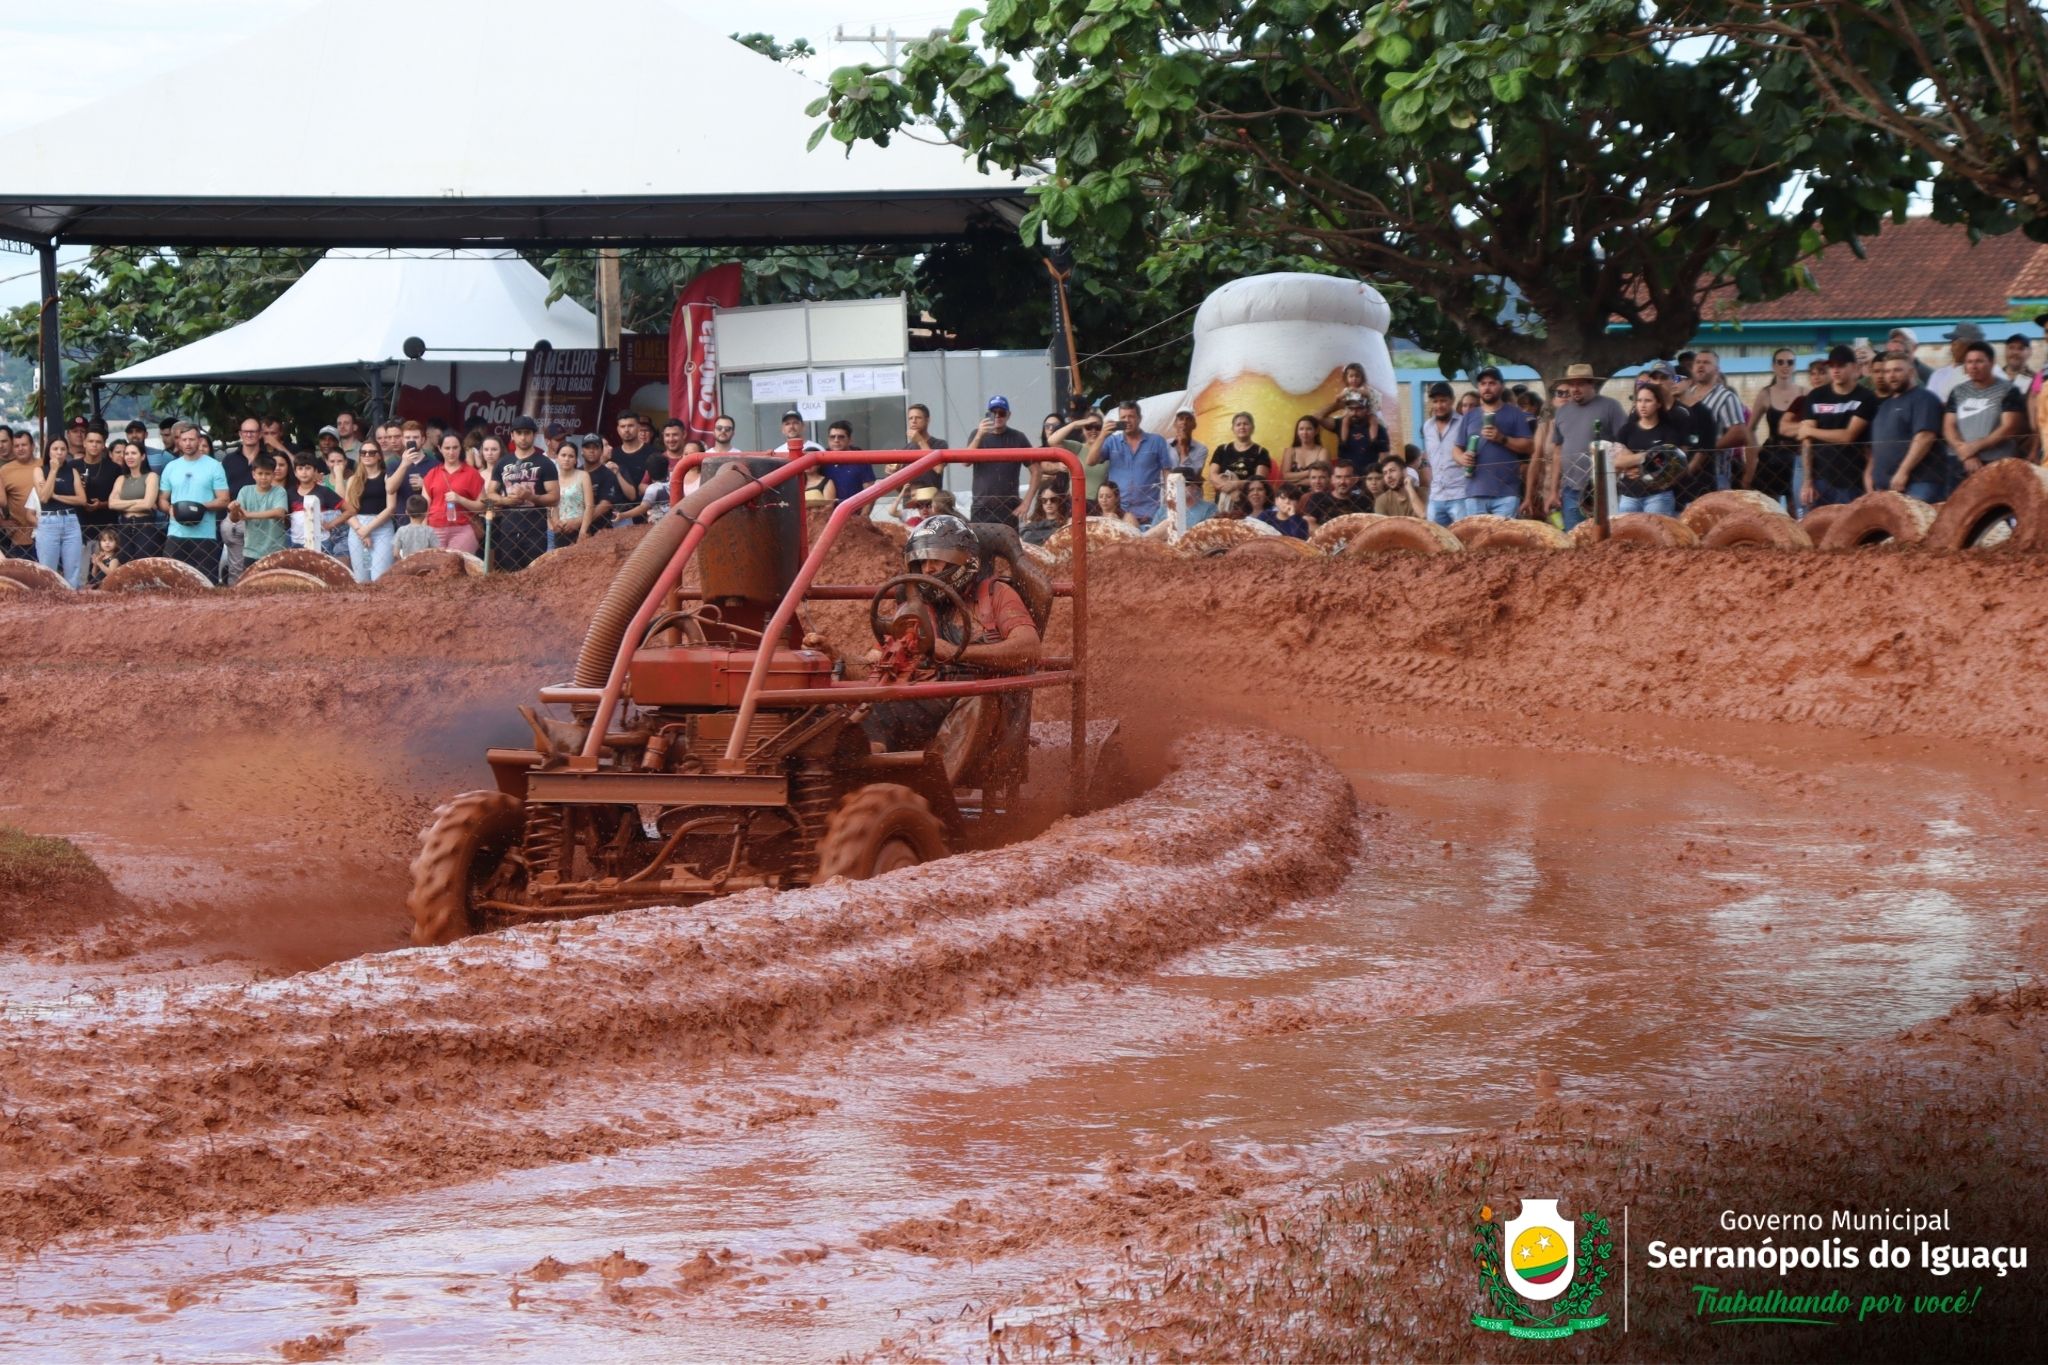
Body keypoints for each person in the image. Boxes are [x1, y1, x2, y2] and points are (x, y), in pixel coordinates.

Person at [856, 514, 1042, 753]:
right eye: (922, 562)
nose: (928, 569)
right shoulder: (914, 607)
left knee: (978, 700)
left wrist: (956, 652)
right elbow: (877, 662)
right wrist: (835, 659)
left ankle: (933, 781)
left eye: (937, 560)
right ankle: (873, 773)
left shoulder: (997, 594)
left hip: (986, 703)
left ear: (964, 562)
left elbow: (1029, 649)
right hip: (929, 700)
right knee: (874, 704)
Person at [1543, 364, 1628, 530]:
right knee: (1573, 539)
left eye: (1580, 384)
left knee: (1605, 537)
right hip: (1571, 489)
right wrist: (1554, 490)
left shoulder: (1611, 407)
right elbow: (1558, 450)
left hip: (1603, 488)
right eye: (1572, 384)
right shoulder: (1562, 412)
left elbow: (1624, 443)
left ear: (1592, 384)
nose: (1575, 389)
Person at [1796, 344, 1879, 509]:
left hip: (1852, 479)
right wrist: (1807, 480)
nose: (1835, 370)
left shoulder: (1866, 397)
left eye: (1841, 365)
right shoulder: (1816, 395)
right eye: (1832, 366)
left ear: (1855, 367)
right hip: (1819, 478)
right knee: (1815, 528)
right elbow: (1806, 441)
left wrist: (1810, 430)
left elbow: (1848, 436)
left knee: (1851, 530)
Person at [1456, 366, 1536, 521]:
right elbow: (1456, 448)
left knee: (1504, 542)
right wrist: (1462, 458)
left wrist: (1502, 439)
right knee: (1476, 542)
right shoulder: (1469, 416)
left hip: (1506, 493)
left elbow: (1530, 447)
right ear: (1478, 387)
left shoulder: (1515, 414)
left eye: (1492, 383)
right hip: (1475, 491)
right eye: (1483, 383)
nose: (1487, 387)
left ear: (1501, 385)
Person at [1869, 354, 1950, 503]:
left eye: (1897, 370)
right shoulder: (1885, 405)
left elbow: (1925, 437)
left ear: (1911, 372)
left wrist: (1903, 472)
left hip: (1919, 482)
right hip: (1887, 488)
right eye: (1887, 371)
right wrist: (1872, 476)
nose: (1891, 375)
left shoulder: (1924, 398)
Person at [1942, 340, 2025, 482]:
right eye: (1969, 362)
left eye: (1979, 361)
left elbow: (2009, 427)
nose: (1973, 366)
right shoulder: (1957, 391)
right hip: (1960, 462)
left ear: (1992, 363)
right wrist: (1965, 452)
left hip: (1997, 462)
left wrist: (1974, 447)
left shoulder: (2008, 390)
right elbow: (1948, 425)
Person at [155, 422, 230, 577]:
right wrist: (170, 509)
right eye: (184, 440)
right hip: (176, 533)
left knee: (205, 582)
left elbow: (224, 500)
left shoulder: (214, 466)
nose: (188, 443)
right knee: (171, 580)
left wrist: (199, 507)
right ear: (179, 441)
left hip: (204, 534)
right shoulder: (171, 467)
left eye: (192, 439)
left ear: (199, 440)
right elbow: (162, 499)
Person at [1088, 400, 1175, 525]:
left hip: (1149, 512)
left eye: (1131, 416)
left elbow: (1167, 472)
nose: (1127, 420)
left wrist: (1169, 501)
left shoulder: (1157, 441)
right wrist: (1102, 435)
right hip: (1118, 512)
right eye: (1123, 417)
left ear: (1139, 419)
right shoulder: (1112, 441)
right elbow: (1090, 461)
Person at [486, 419, 559, 570]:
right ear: (512, 435)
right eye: (519, 433)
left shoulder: (545, 463)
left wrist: (531, 497)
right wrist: (505, 501)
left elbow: (555, 497)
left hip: (535, 528)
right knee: (509, 572)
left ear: (534, 435)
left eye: (527, 433)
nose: (523, 437)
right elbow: (490, 493)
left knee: (534, 572)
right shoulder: (502, 462)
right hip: (508, 527)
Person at [1615, 382, 1688, 516]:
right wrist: (1648, 455)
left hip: (1658, 497)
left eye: (1648, 400)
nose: (1642, 405)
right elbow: (1617, 461)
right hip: (1629, 496)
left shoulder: (1668, 432)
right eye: (1639, 400)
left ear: (1658, 404)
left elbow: (1666, 464)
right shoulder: (1626, 430)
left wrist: (1630, 461)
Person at [965, 395, 1035, 527]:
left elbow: (1036, 470)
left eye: (1001, 413)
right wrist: (980, 435)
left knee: (1007, 546)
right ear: (988, 414)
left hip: (1008, 508)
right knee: (980, 546)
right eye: (993, 413)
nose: (997, 416)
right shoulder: (977, 434)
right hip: (981, 507)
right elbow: (965, 462)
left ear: (1008, 415)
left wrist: (1027, 502)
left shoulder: (1018, 437)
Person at [35, 435, 86, 587]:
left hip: (70, 520)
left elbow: (82, 499)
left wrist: (55, 495)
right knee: (48, 569)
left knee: (74, 568)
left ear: (67, 451)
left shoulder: (73, 471)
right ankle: (50, 604)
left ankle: (71, 602)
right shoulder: (39, 470)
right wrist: (53, 471)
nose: (59, 453)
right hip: (49, 521)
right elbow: (44, 497)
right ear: (48, 451)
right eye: (55, 449)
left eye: (63, 449)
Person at [422, 432, 486, 554]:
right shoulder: (432, 473)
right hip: (434, 528)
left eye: (455, 447)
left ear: (460, 448)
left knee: (457, 567)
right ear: (440, 449)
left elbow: (482, 506)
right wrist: (424, 531)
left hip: (463, 528)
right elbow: (424, 507)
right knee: (437, 569)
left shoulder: (471, 473)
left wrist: (460, 499)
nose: (451, 452)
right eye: (447, 448)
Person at [342, 440, 397, 581]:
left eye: (372, 452)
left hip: (382, 527)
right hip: (357, 527)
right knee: (361, 579)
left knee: (380, 577)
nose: (367, 455)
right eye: (363, 452)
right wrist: (361, 530)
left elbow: (391, 507)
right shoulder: (353, 480)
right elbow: (347, 510)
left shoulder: (387, 477)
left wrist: (368, 529)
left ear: (379, 456)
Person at [229, 453, 292, 569]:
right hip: (251, 550)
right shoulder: (245, 491)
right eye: (260, 473)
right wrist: (233, 509)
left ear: (273, 475)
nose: (263, 477)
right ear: (253, 474)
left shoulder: (279, 491)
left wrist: (249, 515)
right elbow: (234, 518)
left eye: (267, 474)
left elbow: (279, 512)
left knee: (276, 585)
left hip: (275, 550)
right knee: (250, 584)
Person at [106, 437, 162, 562]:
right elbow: (111, 504)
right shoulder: (121, 479)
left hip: (145, 525)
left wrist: (123, 504)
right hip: (124, 525)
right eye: (127, 454)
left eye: (133, 453)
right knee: (124, 562)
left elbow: (147, 504)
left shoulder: (151, 476)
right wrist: (137, 501)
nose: (129, 457)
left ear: (142, 456)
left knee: (144, 563)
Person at [1202, 411, 1270, 514]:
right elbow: (1213, 475)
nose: (1242, 427)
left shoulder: (1261, 452)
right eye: (1238, 424)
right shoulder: (1222, 450)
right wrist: (1229, 489)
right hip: (1222, 504)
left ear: (1252, 428)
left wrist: (1236, 485)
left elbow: (1259, 481)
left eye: (1246, 424)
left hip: (1248, 506)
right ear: (1233, 428)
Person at [1418, 382, 1465, 526]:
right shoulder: (1427, 427)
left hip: (1460, 494)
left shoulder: (1463, 423)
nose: (1439, 406)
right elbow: (1429, 457)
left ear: (1452, 400)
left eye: (1443, 400)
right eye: (1435, 401)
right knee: (1436, 541)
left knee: (1463, 538)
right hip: (1436, 495)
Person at [288, 454, 350, 555]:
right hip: (297, 542)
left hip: (321, 542)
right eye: (300, 468)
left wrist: (330, 525)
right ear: (295, 472)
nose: (304, 472)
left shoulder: (324, 491)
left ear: (315, 471)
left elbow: (350, 510)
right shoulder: (290, 493)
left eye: (308, 468)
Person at [1322, 387, 1389, 477]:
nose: (1354, 412)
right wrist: (1336, 405)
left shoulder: (1379, 429)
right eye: (1351, 409)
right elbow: (1317, 417)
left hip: (1367, 481)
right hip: (1345, 480)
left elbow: (1385, 462)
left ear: (1367, 409)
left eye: (1359, 409)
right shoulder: (1341, 424)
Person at [1, 428, 37, 561]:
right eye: (17, 446)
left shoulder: (43, 465)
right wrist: (2, 522)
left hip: (46, 535)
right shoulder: (4, 471)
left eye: (24, 445)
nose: (20, 449)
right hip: (19, 540)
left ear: (33, 446)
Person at [821, 420, 876, 505]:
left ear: (850, 440)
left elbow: (870, 492)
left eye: (841, 437)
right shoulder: (821, 459)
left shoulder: (861, 458)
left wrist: (864, 515)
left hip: (855, 513)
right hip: (828, 514)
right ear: (828, 439)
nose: (836, 440)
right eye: (832, 437)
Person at [1928, 324, 1982, 401]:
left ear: (1969, 345)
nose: (1951, 349)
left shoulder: (1990, 373)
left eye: (1955, 344)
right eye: (1951, 344)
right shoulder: (1939, 374)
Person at [1275, 415, 1327, 486]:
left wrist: (1298, 482)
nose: (1304, 433)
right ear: (1297, 432)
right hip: (1291, 494)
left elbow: (1322, 479)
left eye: (1309, 429)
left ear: (1316, 431)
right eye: (1301, 429)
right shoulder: (1290, 451)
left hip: (1315, 493)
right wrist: (1310, 472)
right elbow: (1286, 477)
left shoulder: (1322, 451)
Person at [1165, 407, 1208, 483]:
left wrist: (1183, 447)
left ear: (1194, 425)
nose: (1184, 422)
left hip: (1190, 493)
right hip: (1168, 492)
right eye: (1181, 419)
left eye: (1188, 419)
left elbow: (1191, 476)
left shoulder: (1201, 449)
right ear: (1175, 424)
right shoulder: (1164, 445)